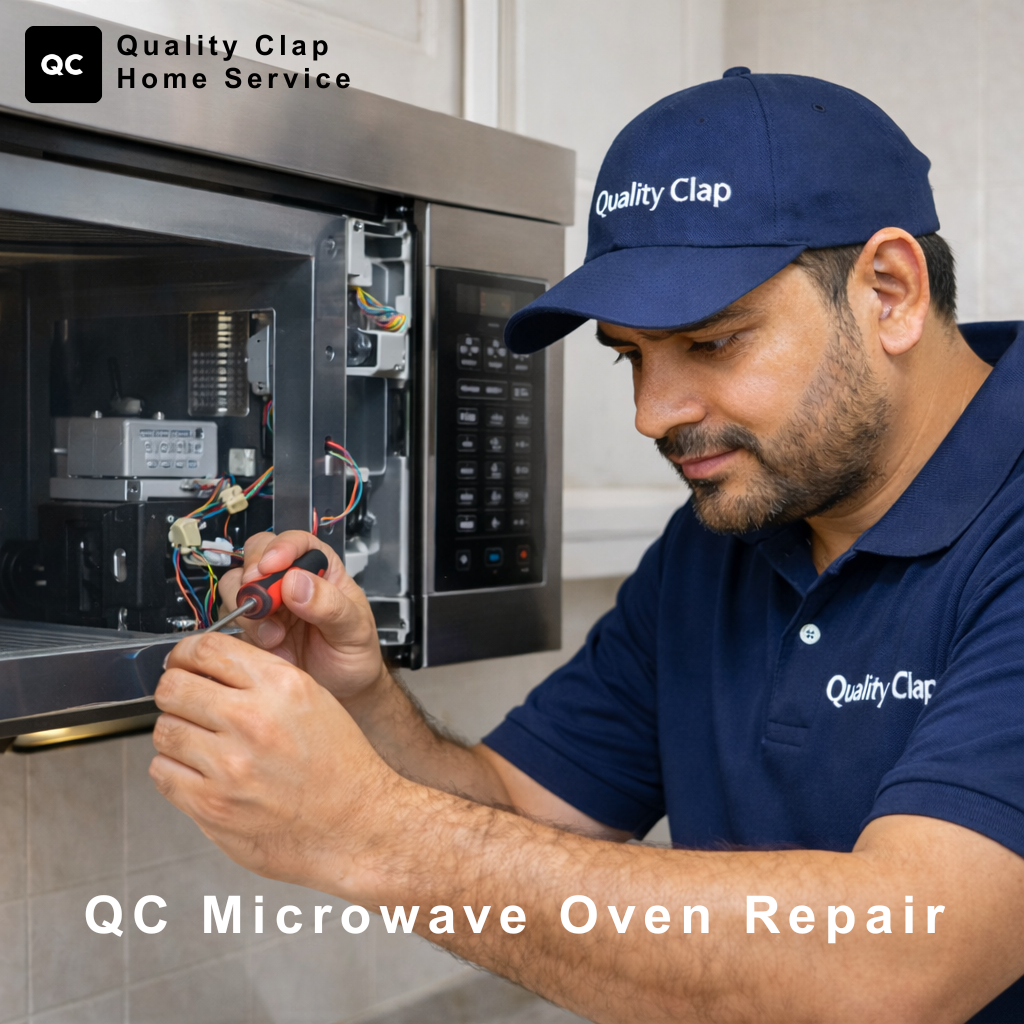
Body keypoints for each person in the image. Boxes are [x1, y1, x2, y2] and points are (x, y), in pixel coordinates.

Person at [150, 70, 1024, 1023]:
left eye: (714, 343)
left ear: (890, 293)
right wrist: (363, 704)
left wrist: (367, 833)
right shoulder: (726, 537)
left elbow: (902, 965)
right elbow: (518, 817)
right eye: (632, 355)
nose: (656, 415)